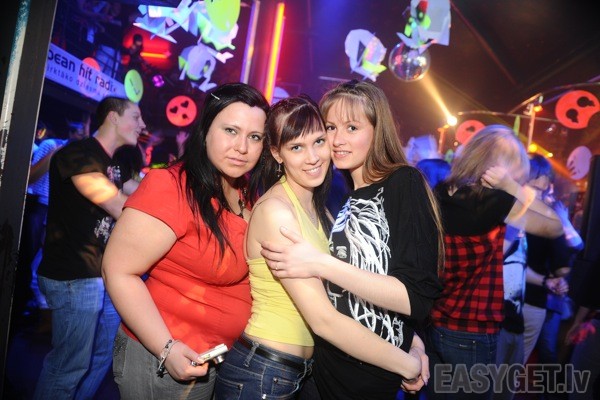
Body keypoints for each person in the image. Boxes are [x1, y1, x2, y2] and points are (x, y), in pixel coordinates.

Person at [214, 95, 427, 399]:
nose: (313, 157)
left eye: (318, 141)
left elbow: (346, 294)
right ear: (276, 153)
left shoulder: (321, 210)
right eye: (296, 147)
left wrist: (410, 340)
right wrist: (407, 364)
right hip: (263, 371)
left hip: (297, 372)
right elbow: (324, 320)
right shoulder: (277, 212)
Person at [260, 80, 444, 399]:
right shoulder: (340, 196)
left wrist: (320, 263)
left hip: (370, 379)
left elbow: (415, 297)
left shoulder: (402, 182)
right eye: (330, 127)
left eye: (352, 127)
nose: (338, 140)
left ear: (377, 130)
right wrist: (410, 342)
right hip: (330, 372)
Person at [101, 83, 270, 400]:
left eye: (255, 137)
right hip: (165, 360)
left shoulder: (245, 191)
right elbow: (118, 271)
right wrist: (166, 348)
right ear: (205, 131)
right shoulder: (172, 187)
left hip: (218, 359)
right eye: (230, 130)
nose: (242, 147)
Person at [425, 125, 564, 400]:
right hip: (472, 331)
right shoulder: (493, 202)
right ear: (500, 169)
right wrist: (511, 187)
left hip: (435, 323)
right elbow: (556, 226)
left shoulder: (441, 192)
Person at [34, 97, 146, 400]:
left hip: (101, 273)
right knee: (69, 365)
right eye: (136, 117)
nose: (142, 125)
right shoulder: (77, 154)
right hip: (74, 275)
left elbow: (143, 194)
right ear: (113, 117)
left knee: (102, 355)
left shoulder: (115, 163)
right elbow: (119, 206)